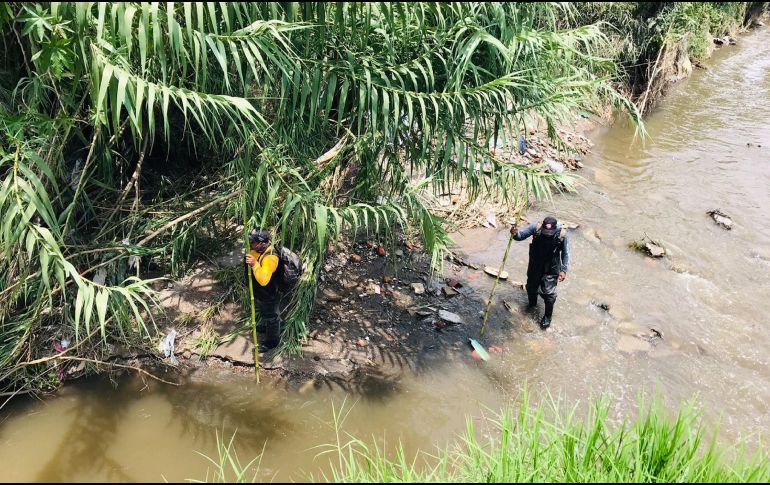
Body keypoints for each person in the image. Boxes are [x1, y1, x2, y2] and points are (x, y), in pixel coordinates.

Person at [510, 216, 570, 329]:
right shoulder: (535, 228)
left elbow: (566, 254)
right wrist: (514, 233)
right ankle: (532, 305)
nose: (547, 234)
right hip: (535, 265)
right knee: (531, 288)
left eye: (550, 232)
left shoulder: (562, 234)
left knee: (549, 294)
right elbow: (520, 236)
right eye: (545, 231)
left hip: (552, 268)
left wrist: (564, 270)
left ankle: (547, 317)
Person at [244, 227, 282, 352]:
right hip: (260, 292)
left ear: (261, 243)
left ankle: (272, 342)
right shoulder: (258, 250)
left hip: (269, 293)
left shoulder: (271, 257)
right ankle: (266, 327)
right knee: (265, 312)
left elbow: (264, 280)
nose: (251, 244)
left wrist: (254, 264)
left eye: (253, 242)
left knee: (272, 317)